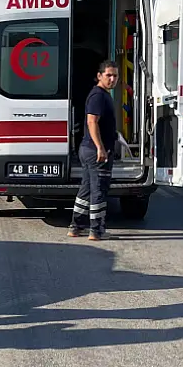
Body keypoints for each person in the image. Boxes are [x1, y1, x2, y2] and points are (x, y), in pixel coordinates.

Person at [70, 61, 120, 241]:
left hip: (88, 149)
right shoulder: (98, 96)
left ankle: (76, 227)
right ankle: (97, 231)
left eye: (115, 76)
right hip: (94, 151)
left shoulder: (102, 95)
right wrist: (100, 147)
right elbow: (92, 122)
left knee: (86, 189)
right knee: (99, 189)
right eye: (108, 75)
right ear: (99, 76)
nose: (112, 79)